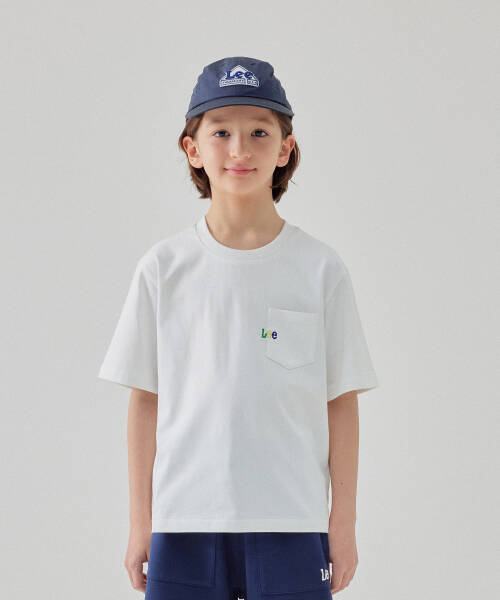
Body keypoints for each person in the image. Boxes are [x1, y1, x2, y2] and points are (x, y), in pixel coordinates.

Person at [98, 56, 379, 600]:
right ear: (193, 149)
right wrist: (141, 522)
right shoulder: (164, 268)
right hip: (184, 519)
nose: (240, 150)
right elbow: (146, 401)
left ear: (285, 148)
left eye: (259, 132)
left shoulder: (319, 268)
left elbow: (340, 401)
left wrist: (341, 523)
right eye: (221, 132)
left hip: (292, 520)